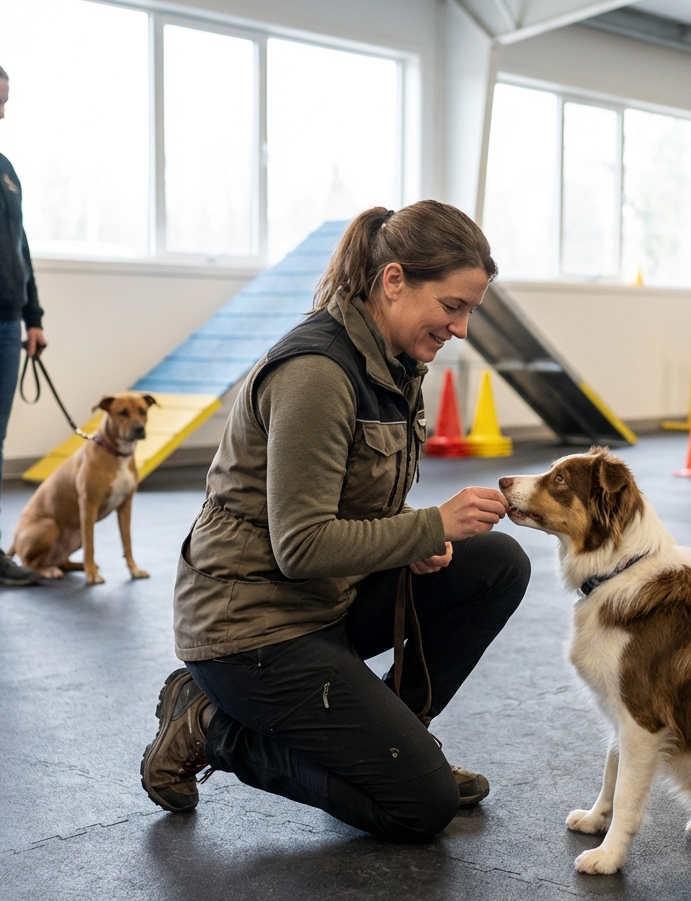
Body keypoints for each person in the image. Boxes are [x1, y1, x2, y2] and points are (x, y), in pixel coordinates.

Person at [141, 201, 531, 843]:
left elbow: (351, 499)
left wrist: (413, 537)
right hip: (252, 628)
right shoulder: (318, 373)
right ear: (394, 280)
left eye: (470, 312)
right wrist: (428, 526)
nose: (461, 329)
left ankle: (394, 748)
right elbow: (301, 545)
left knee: (498, 564)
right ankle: (208, 726)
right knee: (421, 807)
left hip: (325, 601)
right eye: (453, 306)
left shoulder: (396, 362)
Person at [0, 64, 45, 586]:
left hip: (7, 324)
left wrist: (33, 317)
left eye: (6, 102)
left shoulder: (7, 170)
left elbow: (20, 248)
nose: (2, 113)